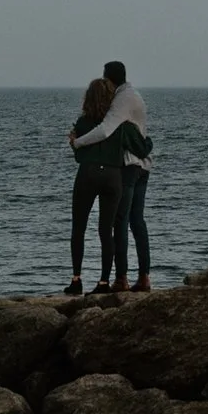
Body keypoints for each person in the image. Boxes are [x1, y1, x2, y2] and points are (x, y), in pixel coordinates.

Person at [71, 60, 153, 291]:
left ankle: (120, 279)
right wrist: (147, 145)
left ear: (109, 78)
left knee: (120, 222)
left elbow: (106, 129)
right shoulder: (134, 95)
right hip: (142, 164)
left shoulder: (120, 101)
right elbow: (140, 138)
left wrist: (77, 142)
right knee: (137, 221)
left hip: (127, 166)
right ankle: (144, 276)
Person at [65, 76, 128, 295]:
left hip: (88, 174)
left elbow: (79, 155)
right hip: (113, 176)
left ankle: (76, 279)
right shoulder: (118, 124)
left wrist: (73, 143)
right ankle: (103, 281)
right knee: (106, 230)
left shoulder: (83, 123)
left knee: (79, 227)